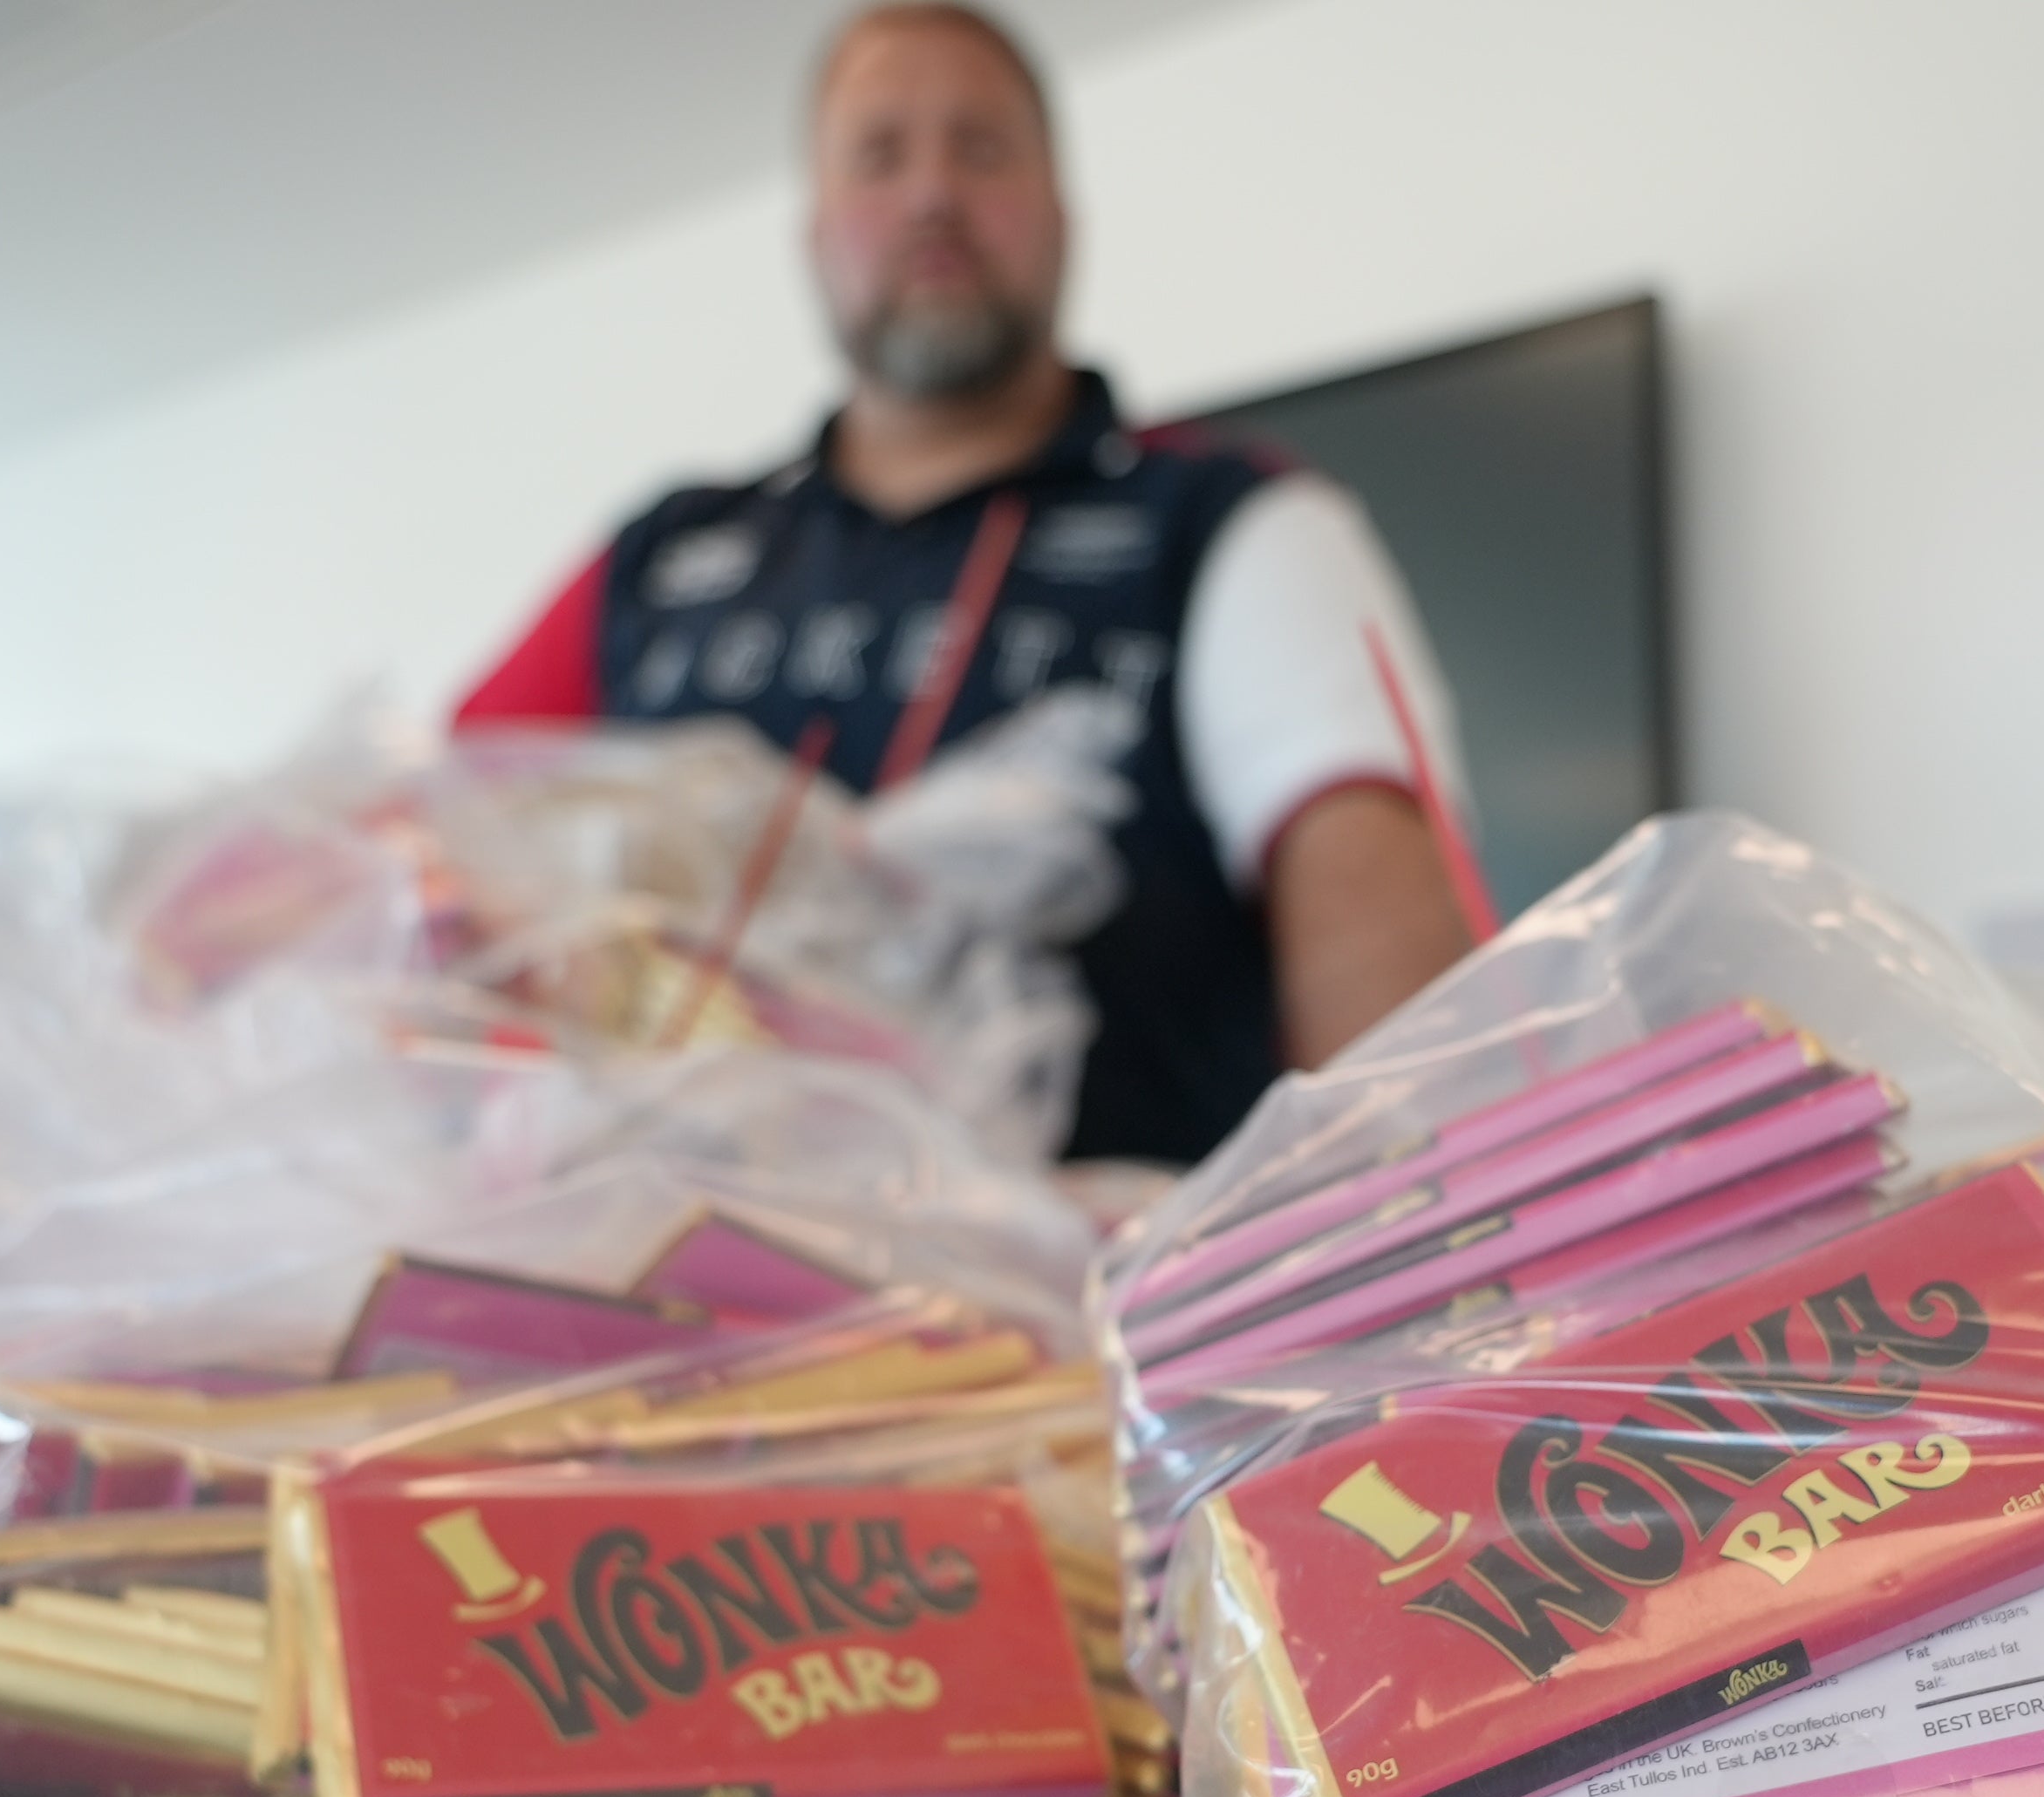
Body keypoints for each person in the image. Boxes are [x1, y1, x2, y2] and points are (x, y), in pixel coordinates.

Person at [456, 2, 1479, 1163]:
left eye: (981, 147)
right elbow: (423, 856)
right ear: (815, 228)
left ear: (1060, 214)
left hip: (1100, 1313)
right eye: (880, 154)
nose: (931, 192)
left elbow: (1397, 1010)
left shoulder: (1229, 520)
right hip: (667, 1298)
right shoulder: (661, 558)